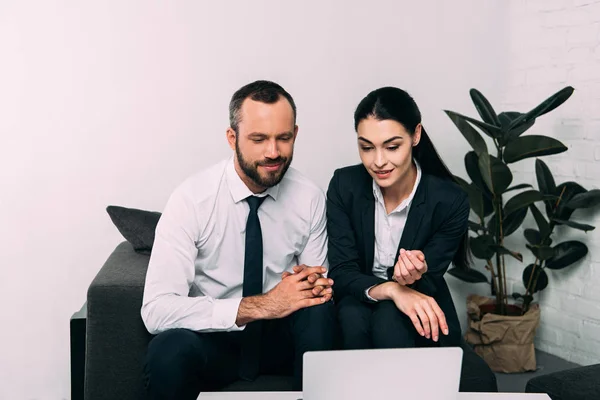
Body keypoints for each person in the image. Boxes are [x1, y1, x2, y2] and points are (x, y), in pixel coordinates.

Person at [141, 80, 335, 400]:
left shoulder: (308, 197)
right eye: (258, 139)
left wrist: (308, 290)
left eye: (283, 138)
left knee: (319, 313)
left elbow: (314, 288)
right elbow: (157, 311)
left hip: (279, 338)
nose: (273, 152)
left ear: (295, 135)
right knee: (169, 350)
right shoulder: (192, 200)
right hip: (215, 336)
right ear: (232, 138)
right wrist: (262, 305)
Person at [327, 86, 470, 351]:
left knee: (389, 319)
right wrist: (392, 289)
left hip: (419, 299)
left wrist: (412, 277)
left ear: (416, 135)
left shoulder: (450, 201)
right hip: (360, 298)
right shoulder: (343, 185)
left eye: (392, 147)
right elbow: (342, 272)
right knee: (351, 317)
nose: (379, 161)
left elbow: (429, 281)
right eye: (367, 147)